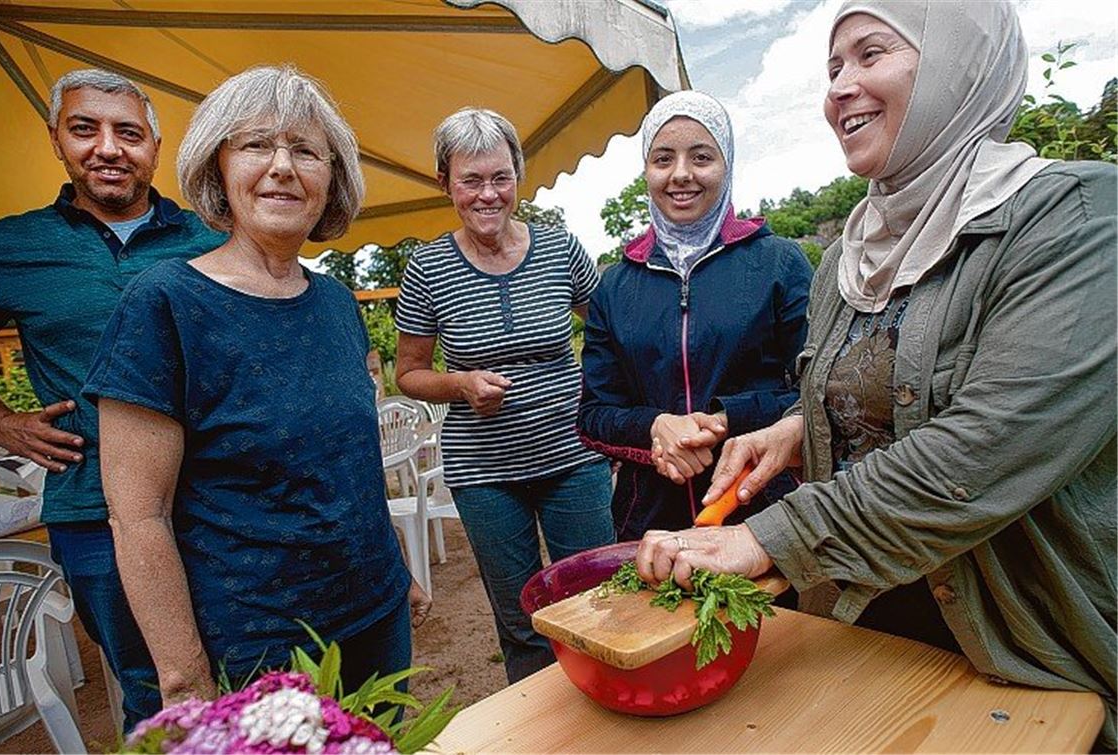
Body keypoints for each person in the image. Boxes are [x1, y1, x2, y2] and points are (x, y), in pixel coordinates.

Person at [635, 2, 1116, 749]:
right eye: (832, 68)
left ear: (961, 62)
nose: (840, 88)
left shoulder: (1075, 219)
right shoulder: (846, 257)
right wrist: (799, 429)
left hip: (1027, 655)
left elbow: (985, 448)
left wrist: (769, 536)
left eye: (870, 54)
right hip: (863, 632)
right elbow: (882, 391)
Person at [82, 66, 429, 706]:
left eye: (304, 150)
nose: (282, 167)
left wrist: (396, 571)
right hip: (256, 645)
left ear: (332, 179)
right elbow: (137, 518)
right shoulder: (163, 303)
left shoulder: (334, 301)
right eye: (255, 145)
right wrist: (184, 682)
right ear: (218, 167)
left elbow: (349, 464)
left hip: (375, 619)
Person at [0, 69, 226, 729]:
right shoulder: (7, 246)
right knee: (156, 693)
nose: (108, 148)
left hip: (223, 503)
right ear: (57, 139)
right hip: (93, 512)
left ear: (155, 145)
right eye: (85, 129)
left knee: (254, 669)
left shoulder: (212, 239)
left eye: (128, 132)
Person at [393, 107, 614, 683]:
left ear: (518, 175)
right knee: (521, 619)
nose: (488, 194)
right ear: (446, 183)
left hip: (575, 456)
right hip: (485, 471)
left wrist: (609, 398)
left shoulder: (561, 249)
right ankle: (539, 730)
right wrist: (460, 385)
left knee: (600, 598)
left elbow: (614, 332)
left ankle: (612, 709)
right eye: (471, 180)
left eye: (501, 177)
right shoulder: (428, 266)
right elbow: (409, 373)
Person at [578, 91, 812, 542]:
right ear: (646, 170)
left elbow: (819, 392)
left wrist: (728, 421)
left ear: (726, 166)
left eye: (701, 157)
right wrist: (655, 427)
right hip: (647, 524)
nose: (681, 174)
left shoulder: (779, 265)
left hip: (760, 514)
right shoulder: (616, 285)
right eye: (663, 159)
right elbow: (594, 414)